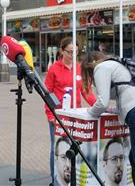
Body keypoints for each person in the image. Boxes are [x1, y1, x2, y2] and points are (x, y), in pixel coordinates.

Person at [81, 51, 135, 186]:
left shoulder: (101, 68)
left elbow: (102, 102)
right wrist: (114, 110)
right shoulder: (120, 65)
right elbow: (128, 94)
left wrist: (89, 113)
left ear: (87, 68)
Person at [44, 36, 96, 185]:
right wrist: (50, 115)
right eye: (69, 52)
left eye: (76, 52)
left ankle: (73, 179)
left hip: (76, 116)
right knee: (57, 149)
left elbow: (86, 92)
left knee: (75, 148)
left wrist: (99, 106)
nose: (72, 55)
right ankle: (55, 180)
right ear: (61, 51)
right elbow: (47, 94)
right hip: (58, 117)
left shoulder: (80, 68)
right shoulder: (54, 69)